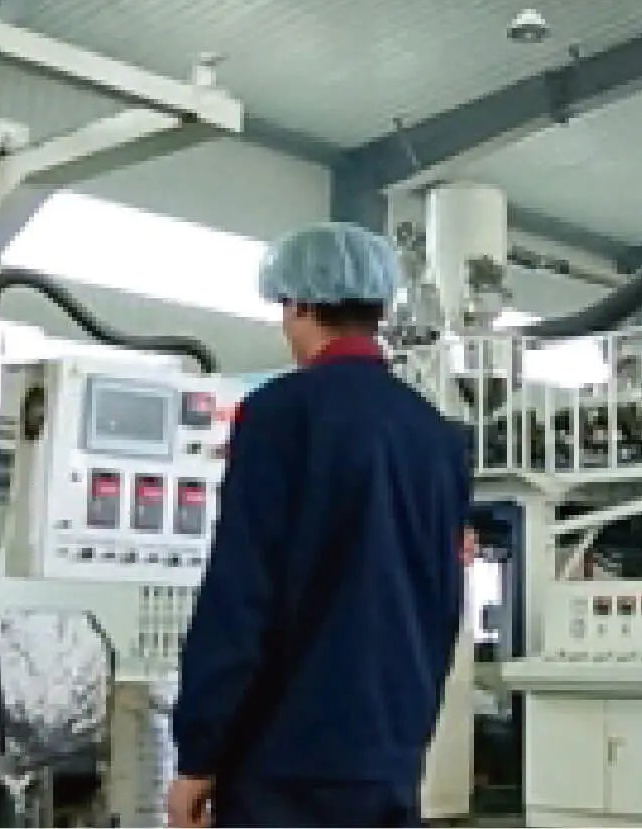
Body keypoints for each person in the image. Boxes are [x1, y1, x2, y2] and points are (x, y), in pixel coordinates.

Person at [167, 222, 473, 828]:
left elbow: (241, 597)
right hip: (390, 757)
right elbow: (443, 604)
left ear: (303, 305)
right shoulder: (437, 437)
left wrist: (199, 754)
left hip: (286, 764)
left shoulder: (280, 415)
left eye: (285, 309)